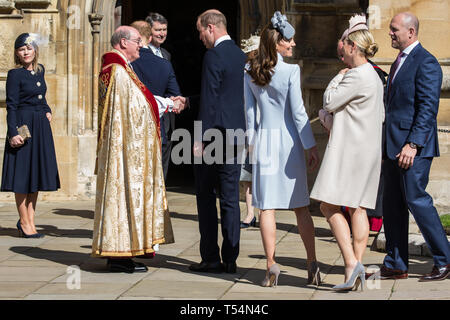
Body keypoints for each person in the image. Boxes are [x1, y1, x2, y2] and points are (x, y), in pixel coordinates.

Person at [92, 26, 183, 273]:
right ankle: (119, 257)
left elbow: (138, 102)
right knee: (123, 198)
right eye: (137, 41)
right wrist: (169, 103)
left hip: (122, 147)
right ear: (123, 42)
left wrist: (164, 103)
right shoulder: (118, 71)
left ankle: (123, 254)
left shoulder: (121, 69)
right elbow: (138, 109)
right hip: (123, 150)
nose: (141, 45)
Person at [245, 12, 320, 288]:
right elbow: (299, 113)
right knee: (301, 206)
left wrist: (252, 146)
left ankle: (270, 265)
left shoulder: (251, 71)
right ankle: (312, 262)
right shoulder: (290, 71)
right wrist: (310, 145)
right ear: (277, 43)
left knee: (266, 209)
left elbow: (249, 113)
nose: (293, 44)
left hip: (265, 142)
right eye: (289, 40)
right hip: (288, 144)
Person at [310, 14, 384, 291]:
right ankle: (355, 268)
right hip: (367, 152)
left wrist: (336, 78)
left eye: (345, 45)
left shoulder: (355, 75)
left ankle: (352, 263)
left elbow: (329, 101)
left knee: (328, 206)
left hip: (349, 153)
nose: (343, 49)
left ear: (353, 46)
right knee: (358, 208)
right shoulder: (374, 76)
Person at [379, 12, 450, 282]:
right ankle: (396, 263)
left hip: (413, 149)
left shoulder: (427, 62)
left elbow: (428, 108)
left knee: (417, 201)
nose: (390, 33)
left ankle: (445, 260)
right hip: (392, 147)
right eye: (389, 29)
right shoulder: (399, 61)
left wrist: (413, 144)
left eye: (394, 29)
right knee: (392, 205)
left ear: (411, 32)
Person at [189, 9, 247, 274]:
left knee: (205, 195)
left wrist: (200, 137)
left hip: (214, 137)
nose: (200, 38)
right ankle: (231, 258)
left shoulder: (213, 55)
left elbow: (212, 99)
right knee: (231, 199)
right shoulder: (241, 55)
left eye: (201, 32)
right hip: (236, 136)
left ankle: (211, 257)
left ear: (211, 27)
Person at [1, 33, 60, 238]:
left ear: (35, 50)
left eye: (29, 48)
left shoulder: (39, 71)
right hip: (24, 126)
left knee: (35, 175)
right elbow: (12, 106)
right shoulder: (15, 74)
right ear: (17, 53)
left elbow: (41, 96)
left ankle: (31, 221)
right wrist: (13, 133)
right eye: (21, 49)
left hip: (41, 127)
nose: (25, 52)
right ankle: (24, 222)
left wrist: (47, 108)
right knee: (22, 177)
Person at [130, 20, 185, 183]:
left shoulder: (126, 64)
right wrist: (176, 102)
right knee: (156, 175)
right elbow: (175, 94)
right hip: (157, 125)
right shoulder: (164, 65)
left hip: (132, 125)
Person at [145, 13, 175, 181]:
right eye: (158, 30)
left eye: (164, 30)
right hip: (150, 115)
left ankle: (160, 200)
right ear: (149, 31)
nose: (162, 34)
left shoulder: (166, 54)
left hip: (166, 118)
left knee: (163, 162)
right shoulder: (140, 54)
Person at [239, 34, 260, 229]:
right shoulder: (244, 71)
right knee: (247, 175)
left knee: (264, 173)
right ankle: (250, 214)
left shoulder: (269, 72)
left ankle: (264, 213)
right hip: (246, 128)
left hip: (265, 128)